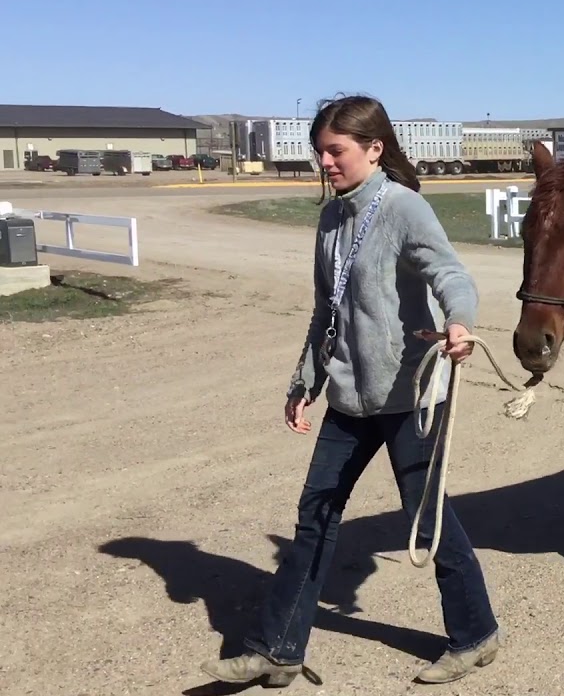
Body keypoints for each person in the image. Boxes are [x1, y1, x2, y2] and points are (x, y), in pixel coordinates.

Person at [200, 94, 501, 687]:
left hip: (409, 395)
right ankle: (277, 649)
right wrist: (305, 378)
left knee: (426, 518)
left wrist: (459, 322)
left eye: (335, 151)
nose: (325, 163)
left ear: (373, 148)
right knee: (316, 516)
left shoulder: (404, 208)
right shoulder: (332, 216)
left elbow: (451, 274)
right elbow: (326, 308)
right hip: (349, 396)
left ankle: (476, 636)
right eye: (320, 152)